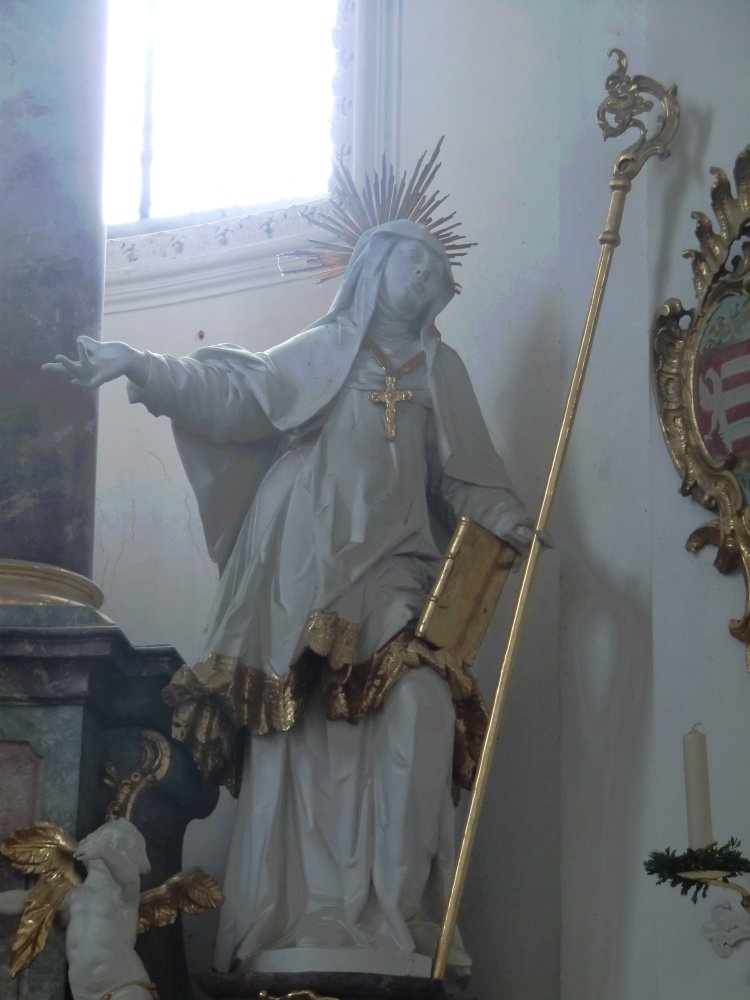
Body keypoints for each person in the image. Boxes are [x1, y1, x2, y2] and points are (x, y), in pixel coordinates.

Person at [45, 219, 537, 977]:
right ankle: (301, 914)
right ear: (374, 268)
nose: (424, 277)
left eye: (436, 270)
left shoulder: (444, 368)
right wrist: (140, 363)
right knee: (299, 731)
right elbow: (237, 392)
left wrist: (510, 522)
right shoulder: (327, 348)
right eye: (411, 261)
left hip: (400, 568)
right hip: (305, 565)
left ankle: (397, 910)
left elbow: (467, 475)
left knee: (421, 708)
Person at [0, 819, 157, 1000]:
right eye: (106, 839)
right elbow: (25, 900)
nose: (112, 847)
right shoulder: (72, 896)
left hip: (125, 986)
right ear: (85, 844)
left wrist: (105, 852)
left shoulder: (124, 895)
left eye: (123, 846)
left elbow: (129, 879)